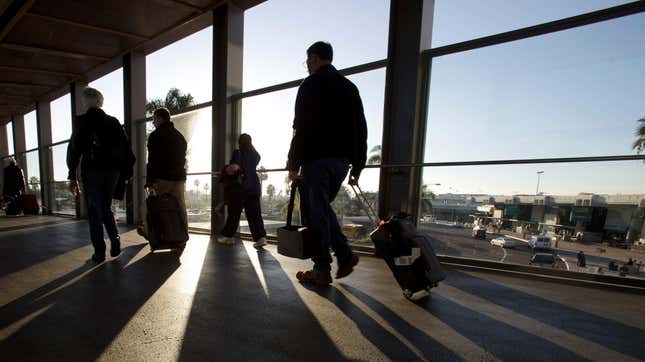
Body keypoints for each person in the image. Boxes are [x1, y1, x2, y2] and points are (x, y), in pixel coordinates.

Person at [287, 41, 367, 286]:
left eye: (308, 60)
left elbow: (300, 126)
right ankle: (343, 256)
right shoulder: (349, 87)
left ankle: (323, 267)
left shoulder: (310, 85)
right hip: (341, 163)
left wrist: (293, 163)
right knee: (321, 209)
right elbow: (361, 129)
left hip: (317, 160)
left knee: (314, 213)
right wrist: (358, 166)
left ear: (314, 58)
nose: (307, 65)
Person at [67, 87, 131, 262]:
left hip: (92, 170)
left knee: (95, 211)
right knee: (106, 206)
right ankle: (115, 238)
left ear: (85, 103)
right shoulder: (113, 122)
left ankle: (99, 251)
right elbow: (126, 150)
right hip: (112, 172)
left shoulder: (82, 122)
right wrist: (124, 173)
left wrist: (72, 175)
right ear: (100, 102)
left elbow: (74, 150)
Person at [139, 107, 188, 238]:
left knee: (154, 206)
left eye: (154, 119)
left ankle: (153, 233)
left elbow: (152, 160)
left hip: (162, 178)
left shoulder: (155, 136)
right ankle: (183, 235)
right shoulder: (179, 136)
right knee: (180, 206)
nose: (153, 122)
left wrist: (150, 180)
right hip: (178, 178)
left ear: (160, 118)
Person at [217, 134, 267, 249]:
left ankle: (228, 236)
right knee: (255, 214)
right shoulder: (255, 154)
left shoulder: (238, 152)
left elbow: (234, 168)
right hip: (254, 186)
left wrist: (226, 168)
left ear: (239, 142)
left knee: (234, 213)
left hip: (240, 188)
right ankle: (261, 238)